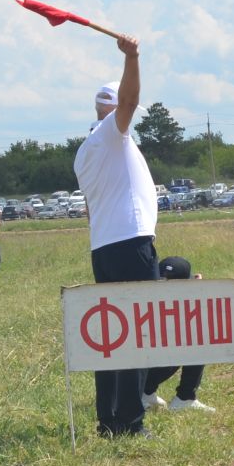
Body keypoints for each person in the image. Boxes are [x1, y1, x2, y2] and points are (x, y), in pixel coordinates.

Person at [74, 35, 159, 438]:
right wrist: (132, 58)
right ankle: (130, 420)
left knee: (112, 336)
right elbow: (126, 104)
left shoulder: (85, 149)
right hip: (129, 243)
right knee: (139, 333)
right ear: (110, 110)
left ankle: (108, 419)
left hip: (104, 247)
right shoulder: (112, 132)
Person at [140, 255, 217, 413]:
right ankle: (183, 398)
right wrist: (197, 292)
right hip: (143, 367)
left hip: (136, 370)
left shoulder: (145, 294)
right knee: (193, 342)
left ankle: (146, 392)